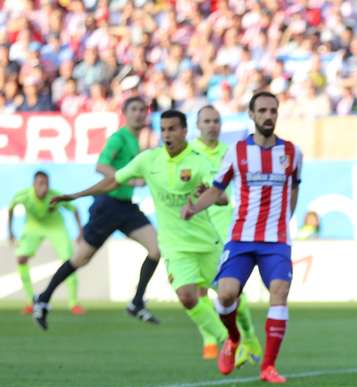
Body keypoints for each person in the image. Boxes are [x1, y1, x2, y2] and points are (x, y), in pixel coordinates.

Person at [49, 110, 230, 359]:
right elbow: (114, 180)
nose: (167, 134)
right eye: (163, 129)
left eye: (173, 129)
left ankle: (246, 339)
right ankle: (225, 341)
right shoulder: (149, 160)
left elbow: (221, 197)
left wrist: (198, 205)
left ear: (184, 131)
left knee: (229, 296)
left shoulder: (198, 161)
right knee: (188, 296)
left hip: (207, 241)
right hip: (174, 245)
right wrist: (76, 195)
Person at [182, 91, 302, 383]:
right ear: (251, 114)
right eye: (262, 110)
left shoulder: (292, 152)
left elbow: (295, 188)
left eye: (273, 110)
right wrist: (195, 208)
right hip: (242, 238)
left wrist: (284, 220)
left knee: (280, 293)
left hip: (276, 240)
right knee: (225, 295)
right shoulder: (236, 152)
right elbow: (216, 187)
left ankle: (268, 367)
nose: (268, 116)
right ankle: (233, 338)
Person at [32, 96, 161, 330]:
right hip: (107, 206)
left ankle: (136, 302)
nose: (140, 114)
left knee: (155, 249)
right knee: (81, 258)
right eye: (134, 109)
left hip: (126, 207)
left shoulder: (135, 141)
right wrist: (129, 179)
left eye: (143, 110)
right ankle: (43, 298)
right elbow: (101, 166)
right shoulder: (120, 138)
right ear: (125, 112)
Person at [189, 105, 261, 364]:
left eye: (216, 121)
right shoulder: (189, 153)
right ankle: (210, 338)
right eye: (207, 121)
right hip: (196, 228)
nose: (212, 125)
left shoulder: (231, 152)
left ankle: (248, 336)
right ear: (198, 125)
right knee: (197, 290)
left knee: (230, 288)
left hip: (225, 227)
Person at [8, 171, 84, 315]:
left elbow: (75, 209)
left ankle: (73, 303)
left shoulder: (55, 196)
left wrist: (80, 230)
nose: (44, 186)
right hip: (33, 226)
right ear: (33, 185)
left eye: (46, 183)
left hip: (56, 227)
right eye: (40, 183)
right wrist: (10, 231)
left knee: (69, 261)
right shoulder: (23, 195)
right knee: (21, 258)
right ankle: (31, 302)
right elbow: (11, 209)